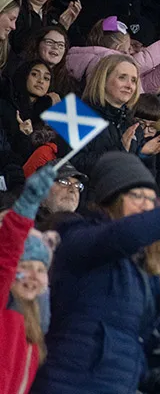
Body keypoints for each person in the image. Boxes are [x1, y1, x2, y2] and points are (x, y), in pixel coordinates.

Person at [31, 152, 160, 394]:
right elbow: (124, 234)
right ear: (111, 198)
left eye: (151, 199)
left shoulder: (143, 271)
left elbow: (138, 345)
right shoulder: (77, 235)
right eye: (137, 196)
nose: (145, 206)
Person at [0, 166, 55, 394]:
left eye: (40, 269)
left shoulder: (37, 326)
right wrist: (25, 208)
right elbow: (6, 257)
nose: (33, 276)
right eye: (25, 266)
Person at [71, 55, 160, 176]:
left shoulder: (132, 124)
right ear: (103, 79)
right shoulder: (73, 113)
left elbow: (147, 176)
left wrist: (144, 154)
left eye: (133, 80)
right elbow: (73, 165)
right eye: (122, 78)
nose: (129, 86)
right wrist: (119, 150)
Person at [64, 17, 160, 96]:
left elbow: (147, 84)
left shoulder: (86, 57)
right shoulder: (103, 58)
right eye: (127, 49)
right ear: (118, 47)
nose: (131, 52)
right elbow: (143, 61)